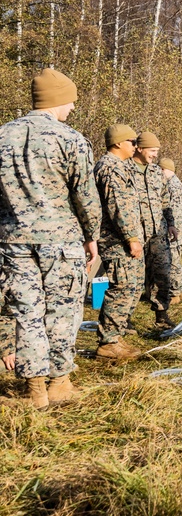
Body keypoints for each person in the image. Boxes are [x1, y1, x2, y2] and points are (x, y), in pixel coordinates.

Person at [0, 67, 102, 408]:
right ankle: (59, 382)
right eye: (69, 101)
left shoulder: (3, 136)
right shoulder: (70, 139)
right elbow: (85, 196)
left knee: (26, 313)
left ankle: (36, 391)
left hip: (12, 241)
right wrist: (92, 237)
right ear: (57, 100)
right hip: (61, 241)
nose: (71, 108)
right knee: (62, 310)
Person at [93, 124, 145, 359]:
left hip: (122, 239)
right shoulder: (110, 167)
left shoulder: (120, 166)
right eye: (132, 141)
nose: (135, 146)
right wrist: (131, 238)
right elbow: (117, 206)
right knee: (121, 287)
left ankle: (115, 336)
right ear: (118, 143)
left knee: (129, 286)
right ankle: (108, 343)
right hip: (116, 240)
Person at [131, 132, 176, 327]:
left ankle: (161, 314)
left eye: (157, 151)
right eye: (152, 151)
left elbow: (165, 202)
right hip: (135, 233)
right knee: (133, 278)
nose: (155, 155)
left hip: (158, 232)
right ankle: (125, 319)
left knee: (163, 273)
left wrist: (171, 223)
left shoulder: (157, 173)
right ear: (139, 148)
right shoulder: (125, 170)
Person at [159, 158, 182, 306]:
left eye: (161, 170)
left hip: (175, 227)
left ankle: (176, 293)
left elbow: (174, 211)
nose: (160, 173)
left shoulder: (173, 185)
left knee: (173, 259)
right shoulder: (173, 183)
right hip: (176, 227)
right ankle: (181, 290)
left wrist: (170, 226)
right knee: (174, 258)